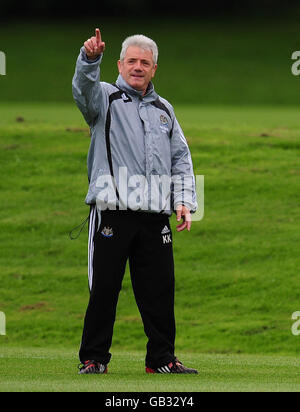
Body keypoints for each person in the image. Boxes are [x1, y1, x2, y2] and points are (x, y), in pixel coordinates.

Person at [72, 28, 198, 374]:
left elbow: (181, 160)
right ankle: (94, 358)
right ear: (120, 64)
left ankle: (161, 360)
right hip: (112, 213)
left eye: (145, 62)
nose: (138, 67)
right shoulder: (103, 97)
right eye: (132, 61)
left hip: (155, 217)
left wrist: (183, 201)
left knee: (160, 292)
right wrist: (89, 59)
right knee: (105, 290)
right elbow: (81, 90)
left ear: (154, 69)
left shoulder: (164, 110)